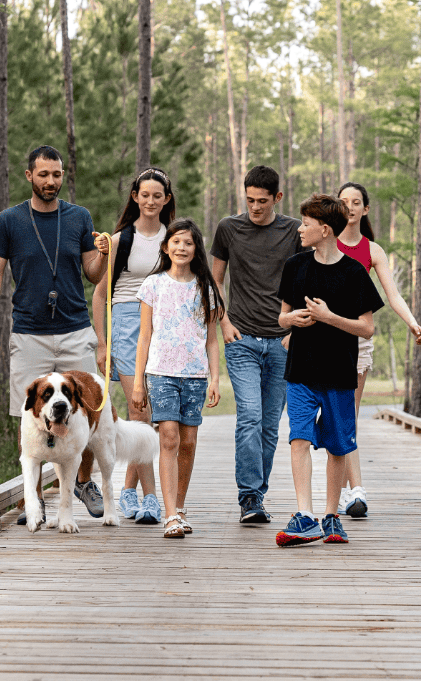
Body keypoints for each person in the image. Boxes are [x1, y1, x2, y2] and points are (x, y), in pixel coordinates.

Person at [0, 145, 110, 524]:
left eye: (57, 174)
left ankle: (83, 481)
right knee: (27, 417)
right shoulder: (10, 221)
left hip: (74, 328)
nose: (51, 181)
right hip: (29, 333)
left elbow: (94, 274)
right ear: (29, 176)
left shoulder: (79, 217)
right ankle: (32, 501)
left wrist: (103, 253)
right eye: (44, 174)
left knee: (82, 410)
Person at [275, 194, 384, 547]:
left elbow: (366, 328)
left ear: (324, 230)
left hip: (339, 374)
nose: (300, 227)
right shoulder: (295, 266)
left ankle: (331, 516)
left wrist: (329, 318)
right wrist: (290, 320)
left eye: (306, 223)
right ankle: (304, 515)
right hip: (301, 371)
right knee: (299, 439)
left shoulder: (353, 273)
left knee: (338, 447)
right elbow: (281, 317)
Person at [211, 166, 303, 524]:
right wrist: (224, 322)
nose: (255, 207)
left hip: (282, 343)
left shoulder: (294, 230)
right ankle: (249, 496)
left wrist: (294, 329)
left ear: (277, 198)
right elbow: (215, 281)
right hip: (242, 339)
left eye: (262, 202)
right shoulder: (228, 228)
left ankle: (258, 496)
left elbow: (305, 279)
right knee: (249, 417)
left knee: (269, 425)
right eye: (249, 200)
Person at [335, 182, 421, 519]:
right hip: (327, 339)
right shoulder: (325, 243)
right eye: (344, 202)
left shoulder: (373, 251)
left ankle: (354, 491)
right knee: (336, 416)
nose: (350, 207)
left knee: (348, 415)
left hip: (358, 340)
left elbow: (393, 294)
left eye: (356, 202)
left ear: (365, 209)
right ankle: (345, 490)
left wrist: (412, 322)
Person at [92, 167, 176, 525]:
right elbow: (99, 294)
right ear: (135, 197)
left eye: (158, 195)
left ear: (166, 199)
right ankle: (151, 498)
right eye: (145, 195)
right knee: (140, 412)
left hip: (164, 327)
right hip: (127, 326)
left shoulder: (175, 237)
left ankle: (128, 491)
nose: (151, 201)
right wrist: (101, 343)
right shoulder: (119, 239)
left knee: (151, 416)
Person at [132, 219, 223, 538]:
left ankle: (180, 507)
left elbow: (212, 339)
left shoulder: (205, 287)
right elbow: (144, 337)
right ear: (165, 246)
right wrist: (138, 382)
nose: (182, 248)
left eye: (188, 243)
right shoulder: (153, 285)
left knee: (188, 441)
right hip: (160, 373)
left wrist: (215, 378)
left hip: (195, 375)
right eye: (176, 242)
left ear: (196, 248)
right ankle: (169, 514)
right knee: (168, 437)